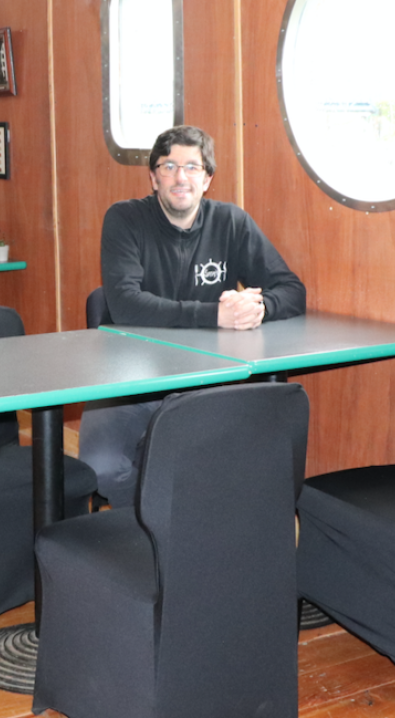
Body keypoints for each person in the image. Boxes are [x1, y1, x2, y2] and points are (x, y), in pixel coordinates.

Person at [80, 124, 306, 508]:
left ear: (207, 178)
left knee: (254, 452)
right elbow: (126, 305)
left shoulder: (231, 222)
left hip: (208, 377)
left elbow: (291, 290)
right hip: (132, 380)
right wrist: (217, 315)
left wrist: (257, 307)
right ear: (153, 178)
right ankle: (146, 533)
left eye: (191, 167)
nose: (179, 177)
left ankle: (195, 531)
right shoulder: (124, 220)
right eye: (168, 167)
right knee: (101, 467)